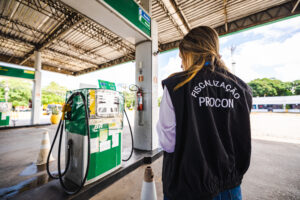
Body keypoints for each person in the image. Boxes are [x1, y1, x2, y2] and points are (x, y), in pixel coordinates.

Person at [156, 26, 252, 200]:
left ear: (190, 54)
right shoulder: (242, 88)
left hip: (188, 186)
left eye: (182, 57)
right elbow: (240, 135)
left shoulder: (176, 86)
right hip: (230, 186)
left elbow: (168, 142)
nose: (181, 63)